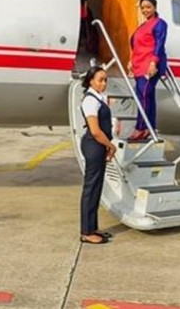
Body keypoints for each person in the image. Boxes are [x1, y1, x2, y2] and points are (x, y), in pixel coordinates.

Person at [79, 66, 117, 244]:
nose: (104, 83)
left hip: (99, 145)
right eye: (100, 80)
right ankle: (86, 232)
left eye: (105, 80)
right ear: (91, 81)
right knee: (91, 187)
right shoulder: (90, 100)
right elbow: (95, 131)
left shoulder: (99, 97)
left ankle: (92, 227)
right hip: (94, 145)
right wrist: (111, 146)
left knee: (97, 188)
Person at [127, 0, 168, 141]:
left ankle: (141, 128)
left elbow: (159, 44)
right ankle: (149, 127)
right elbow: (137, 46)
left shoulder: (159, 24)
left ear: (155, 8)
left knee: (144, 95)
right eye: (143, 7)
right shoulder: (142, 26)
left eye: (148, 7)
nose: (145, 10)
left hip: (149, 65)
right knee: (145, 96)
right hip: (139, 65)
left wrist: (153, 63)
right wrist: (131, 61)